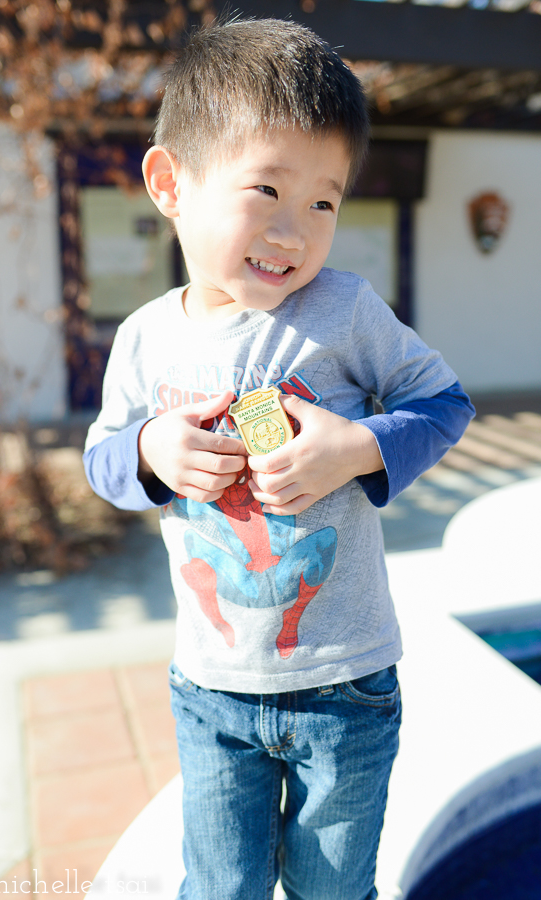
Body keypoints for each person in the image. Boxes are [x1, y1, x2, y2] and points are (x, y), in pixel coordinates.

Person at [84, 17, 475, 900]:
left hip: (344, 684)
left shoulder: (341, 310)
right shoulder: (146, 339)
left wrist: (354, 446)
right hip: (211, 689)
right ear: (169, 182)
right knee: (218, 887)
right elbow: (101, 459)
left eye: (324, 201)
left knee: (333, 891)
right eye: (266, 188)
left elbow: (443, 404)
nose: (294, 232)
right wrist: (148, 448)